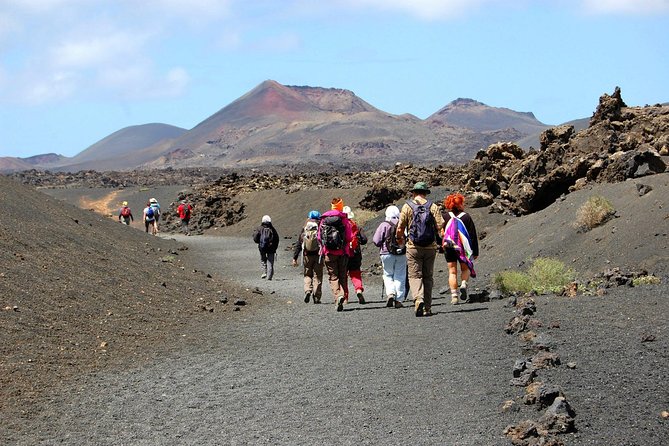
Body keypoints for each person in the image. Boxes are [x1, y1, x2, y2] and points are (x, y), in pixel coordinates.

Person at [396, 182, 444, 317]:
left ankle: (418, 299)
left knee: (415, 275)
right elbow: (440, 227)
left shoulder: (407, 206)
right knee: (428, 277)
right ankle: (427, 308)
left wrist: (399, 239)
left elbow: (400, 227)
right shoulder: (433, 206)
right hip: (430, 248)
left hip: (413, 247)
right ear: (425, 193)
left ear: (413, 193)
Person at [318, 197, 354, 312]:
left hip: (328, 252)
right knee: (342, 275)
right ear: (341, 206)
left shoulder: (324, 219)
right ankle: (343, 297)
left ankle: (338, 296)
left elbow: (319, 237)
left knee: (333, 277)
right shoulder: (344, 219)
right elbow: (349, 237)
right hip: (343, 252)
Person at [442, 193, 479, 304]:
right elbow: (472, 235)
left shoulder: (445, 216)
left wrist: (440, 246)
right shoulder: (466, 217)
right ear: (460, 204)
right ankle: (463, 284)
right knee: (465, 268)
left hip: (449, 246)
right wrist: (475, 251)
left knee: (452, 272)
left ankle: (454, 296)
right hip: (463, 247)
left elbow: (440, 232)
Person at [373, 205, 407, 308]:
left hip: (386, 253)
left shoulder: (384, 224)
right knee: (400, 275)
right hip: (401, 253)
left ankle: (391, 293)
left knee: (388, 275)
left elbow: (376, 240)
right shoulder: (402, 223)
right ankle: (399, 300)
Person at [292, 210, 324, 304]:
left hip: (306, 256)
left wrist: (295, 257)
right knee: (318, 276)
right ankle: (317, 297)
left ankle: (308, 291)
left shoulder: (305, 228)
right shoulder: (321, 227)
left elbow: (299, 244)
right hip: (318, 256)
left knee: (307, 274)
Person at [342, 206, 367, 304]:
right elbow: (364, 240)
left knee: (343, 276)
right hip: (355, 254)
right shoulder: (355, 226)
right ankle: (358, 290)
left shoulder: (340, 226)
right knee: (355, 273)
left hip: (344, 254)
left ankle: (345, 297)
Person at [253, 215, 280, 280]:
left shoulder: (259, 228)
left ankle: (264, 272)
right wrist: (275, 247)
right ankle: (269, 276)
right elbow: (277, 239)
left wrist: (259, 243)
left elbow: (255, 238)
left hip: (262, 247)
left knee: (263, 259)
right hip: (271, 248)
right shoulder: (272, 229)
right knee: (270, 261)